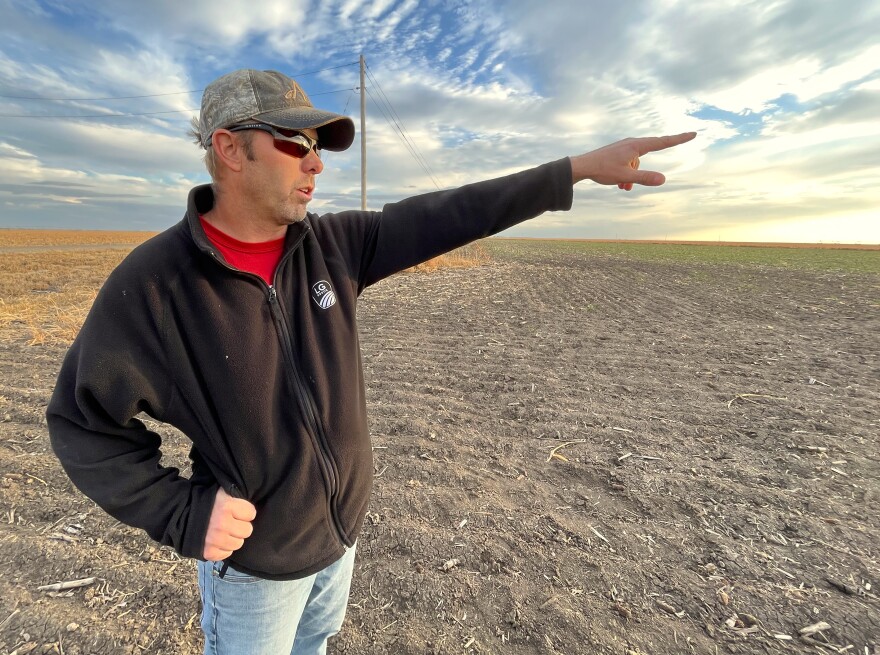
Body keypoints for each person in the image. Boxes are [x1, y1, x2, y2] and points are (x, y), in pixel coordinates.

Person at [46, 68, 696, 654]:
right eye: (296, 143)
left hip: (340, 541)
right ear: (229, 148)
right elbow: (81, 425)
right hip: (256, 571)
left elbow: (456, 212)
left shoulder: (335, 246)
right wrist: (182, 513)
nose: (316, 164)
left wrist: (575, 167)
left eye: (319, 147)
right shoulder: (157, 286)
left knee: (317, 644)